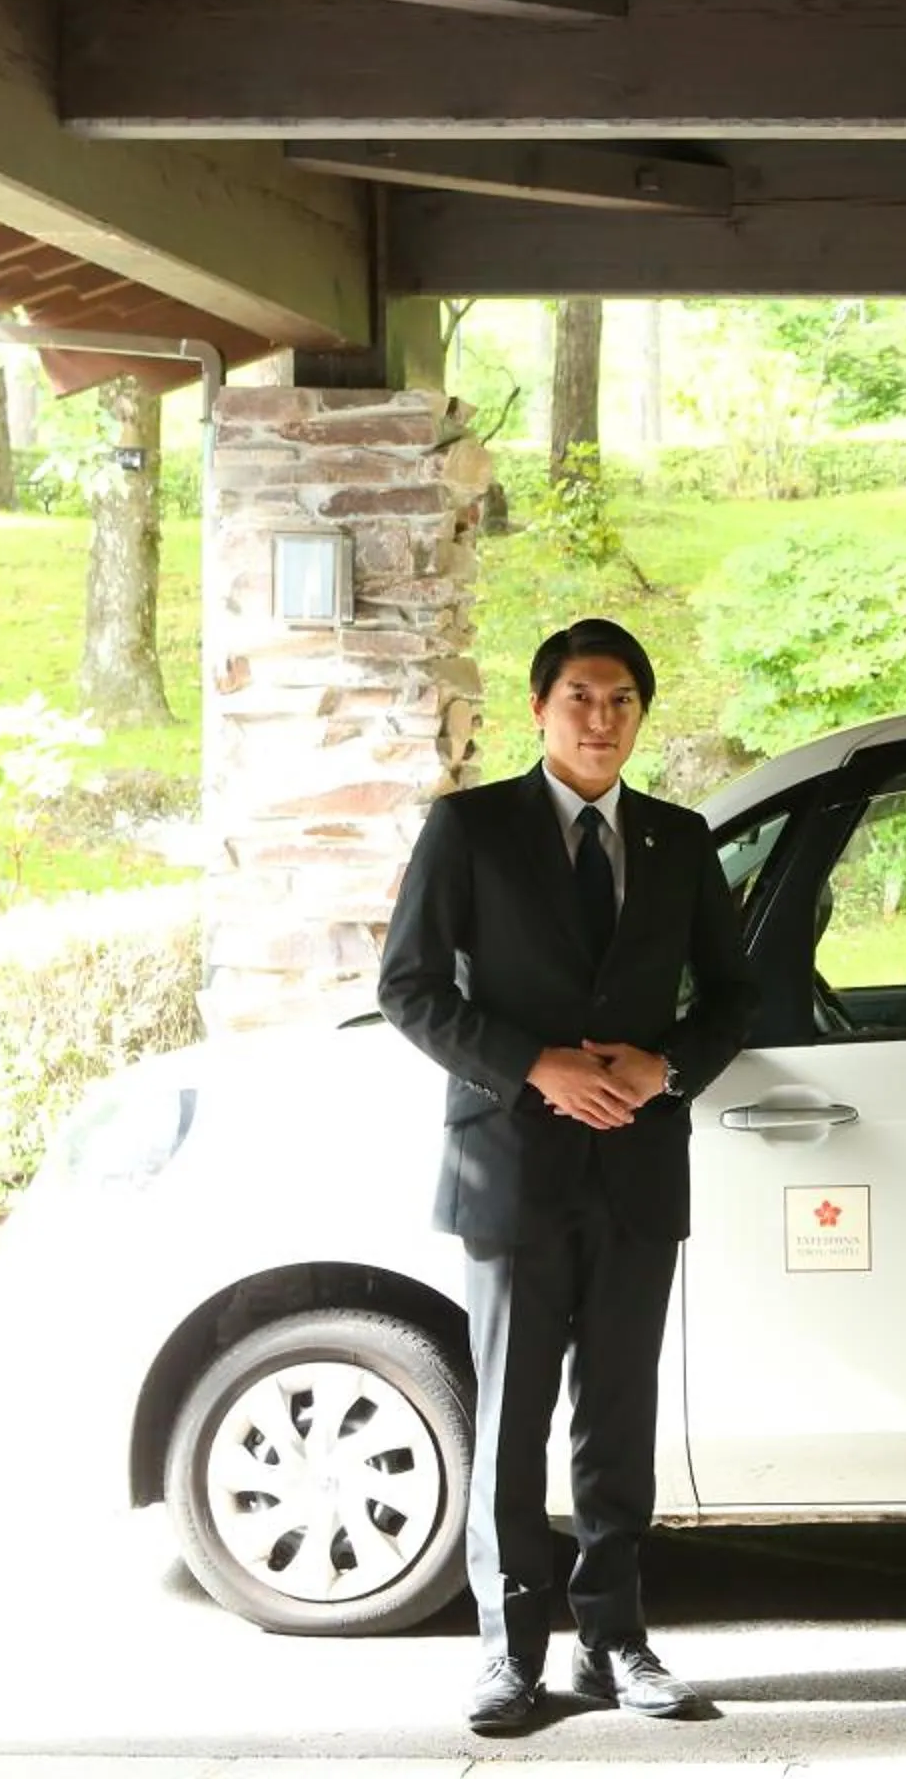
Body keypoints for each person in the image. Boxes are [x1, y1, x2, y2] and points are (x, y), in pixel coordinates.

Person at [377, 617, 760, 1736]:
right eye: (582, 697)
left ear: (642, 715)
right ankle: (511, 1654)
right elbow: (410, 988)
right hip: (513, 1164)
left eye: (623, 701)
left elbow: (734, 995)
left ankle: (615, 1642)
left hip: (639, 1166)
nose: (602, 719)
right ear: (539, 709)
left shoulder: (681, 840)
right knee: (513, 1417)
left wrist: (666, 1064)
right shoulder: (471, 829)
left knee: (619, 1413)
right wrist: (533, 1062)